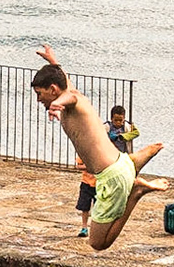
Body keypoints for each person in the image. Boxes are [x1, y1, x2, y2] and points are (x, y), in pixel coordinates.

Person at [31, 46, 166, 251]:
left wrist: (57, 104)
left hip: (111, 177)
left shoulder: (71, 100)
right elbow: (65, 85)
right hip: (120, 161)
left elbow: (68, 97)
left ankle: (137, 191)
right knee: (122, 165)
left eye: (39, 94)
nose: (38, 99)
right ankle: (137, 160)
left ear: (52, 89)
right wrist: (53, 62)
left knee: (98, 243)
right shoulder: (71, 93)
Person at [73, 107, 138, 237]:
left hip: (102, 179)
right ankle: (84, 227)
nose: (119, 123)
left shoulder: (128, 126)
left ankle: (97, 228)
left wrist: (121, 136)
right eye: (116, 120)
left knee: (100, 207)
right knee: (85, 206)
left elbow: (136, 133)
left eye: (121, 120)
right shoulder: (93, 142)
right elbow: (79, 165)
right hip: (87, 182)